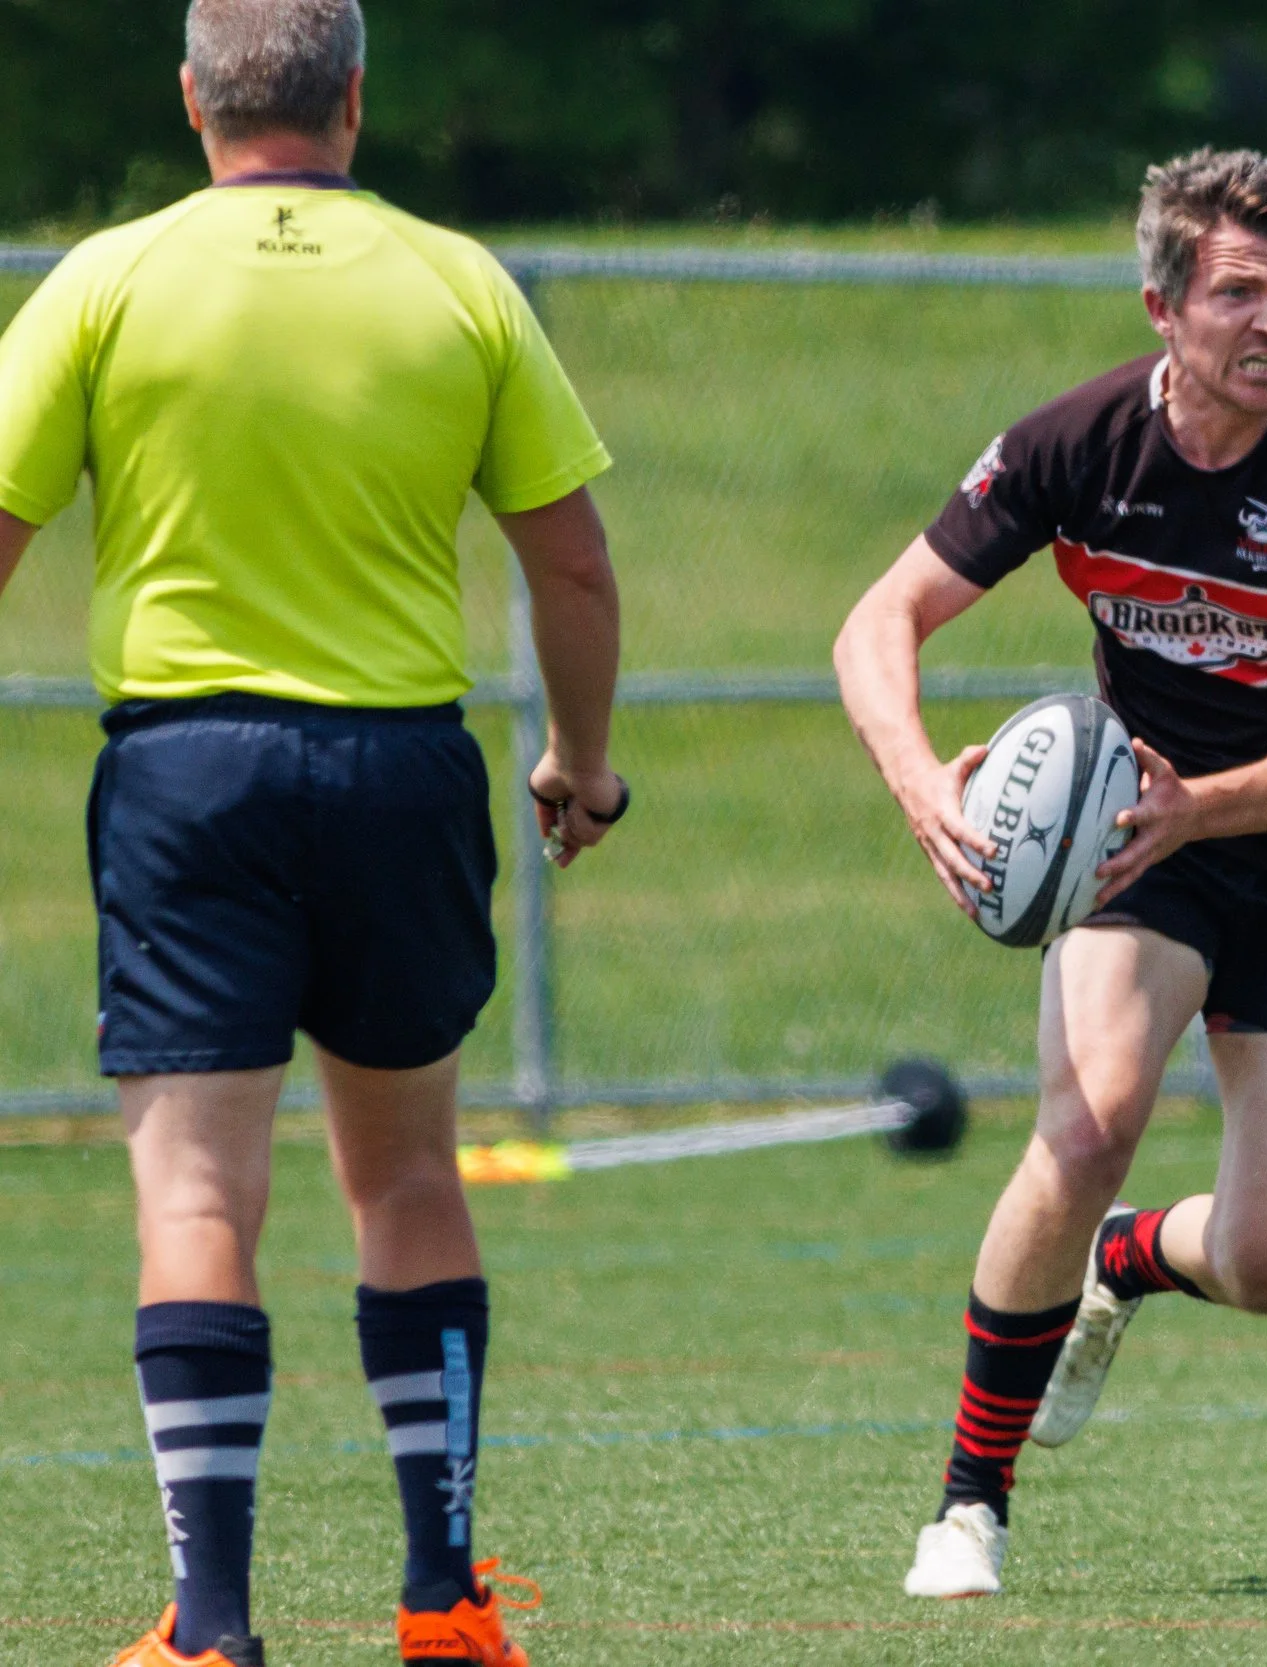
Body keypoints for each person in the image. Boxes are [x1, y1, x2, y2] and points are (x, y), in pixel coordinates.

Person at [0, 3, 624, 1662]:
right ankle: (442, 1602)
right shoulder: (457, 280)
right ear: (356, 97)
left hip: (186, 772)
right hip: (400, 771)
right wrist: (581, 755)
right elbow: (571, 564)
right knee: (410, 1172)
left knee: (197, 1190)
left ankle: (210, 1628)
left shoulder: (107, 280)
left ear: (192, 99)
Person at [835, 146, 1267, 1598]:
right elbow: (879, 623)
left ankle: (1131, 1261)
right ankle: (968, 1505)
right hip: (1138, 833)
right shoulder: (1080, 444)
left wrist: (1204, 803)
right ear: (1164, 305)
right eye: (1240, 292)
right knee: (1095, 1108)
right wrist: (926, 785)